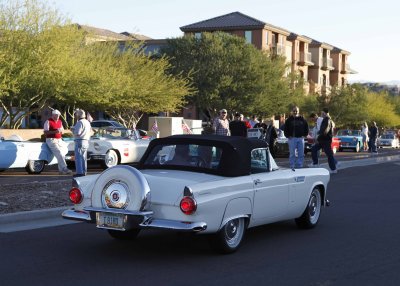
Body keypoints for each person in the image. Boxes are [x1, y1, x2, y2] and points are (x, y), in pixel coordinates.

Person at [43, 109, 72, 175]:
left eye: (58, 115)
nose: (58, 116)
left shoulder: (60, 121)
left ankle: (61, 170)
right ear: (53, 115)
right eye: (56, 115)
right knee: (59, 153)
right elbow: (45, 132)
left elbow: (61, 129)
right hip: (51, 140)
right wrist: (55, 132)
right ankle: (65, 168)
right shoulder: (48, 121)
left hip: (59, 139)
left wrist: (61, 131)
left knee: (62, 153)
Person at [310, 108, 338, 173]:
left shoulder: (327, 120)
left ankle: (334, 169)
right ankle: (315, 163)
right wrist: (319, 134)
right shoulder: (325, 120)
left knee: (329, 155)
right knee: (314, 149)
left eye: (323, 113)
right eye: (321, 113)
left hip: (326, 140)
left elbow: (325, 131)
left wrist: (318, 137)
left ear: (326, 113)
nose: (321, 114)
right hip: (322, 140)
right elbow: (322, 130)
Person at [71, 109, 92, 177]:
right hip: (86, 141)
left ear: (78, 115)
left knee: (78, 157)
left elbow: (78, 133)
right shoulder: (87, 122)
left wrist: (72, 130)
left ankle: (79, 172)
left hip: (80, 140)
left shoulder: (80, 122)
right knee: (84, 157)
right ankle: (84, 171)